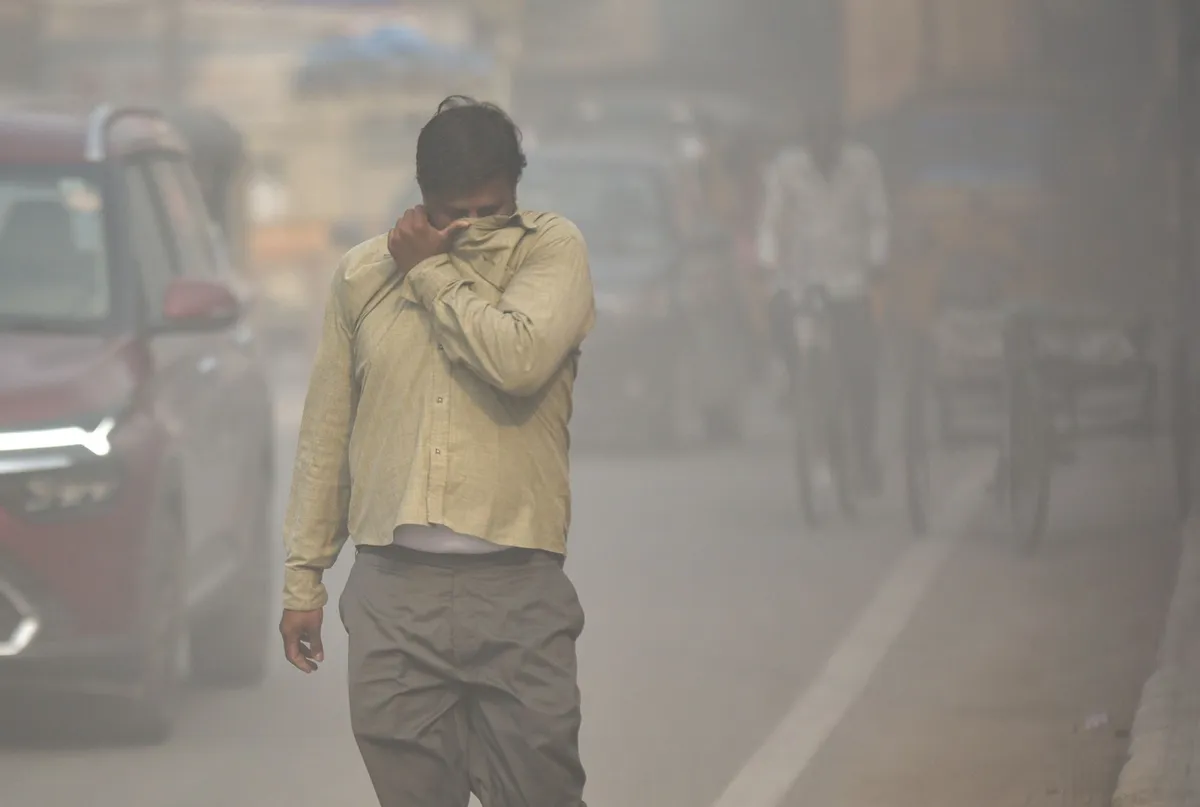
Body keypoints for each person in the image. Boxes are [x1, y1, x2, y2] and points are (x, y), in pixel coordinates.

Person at [279, 96, 595, 807]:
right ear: (423, 200)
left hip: (517, 590)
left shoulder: (551, 250)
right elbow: (328, 432)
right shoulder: (362, 277)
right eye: (456, 214)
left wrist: (429, 270)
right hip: (394, 596)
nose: (473, 230)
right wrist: (304, 578)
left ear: (516, 193)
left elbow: (518, 359)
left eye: (492, 211)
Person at [757, 105, 890, 491]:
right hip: (801, 280)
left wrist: (878, 259)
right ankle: (794, 378)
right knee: (778, 315)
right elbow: (770, 220)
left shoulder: (864, 166)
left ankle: (863, 455)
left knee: (862, 374)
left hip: (850, 283)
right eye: (816, 141)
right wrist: (768, 258)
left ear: (841, 142)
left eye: (830, 141)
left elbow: (878, 217)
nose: (823, 149)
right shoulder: (786, 169)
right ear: (807, 143)